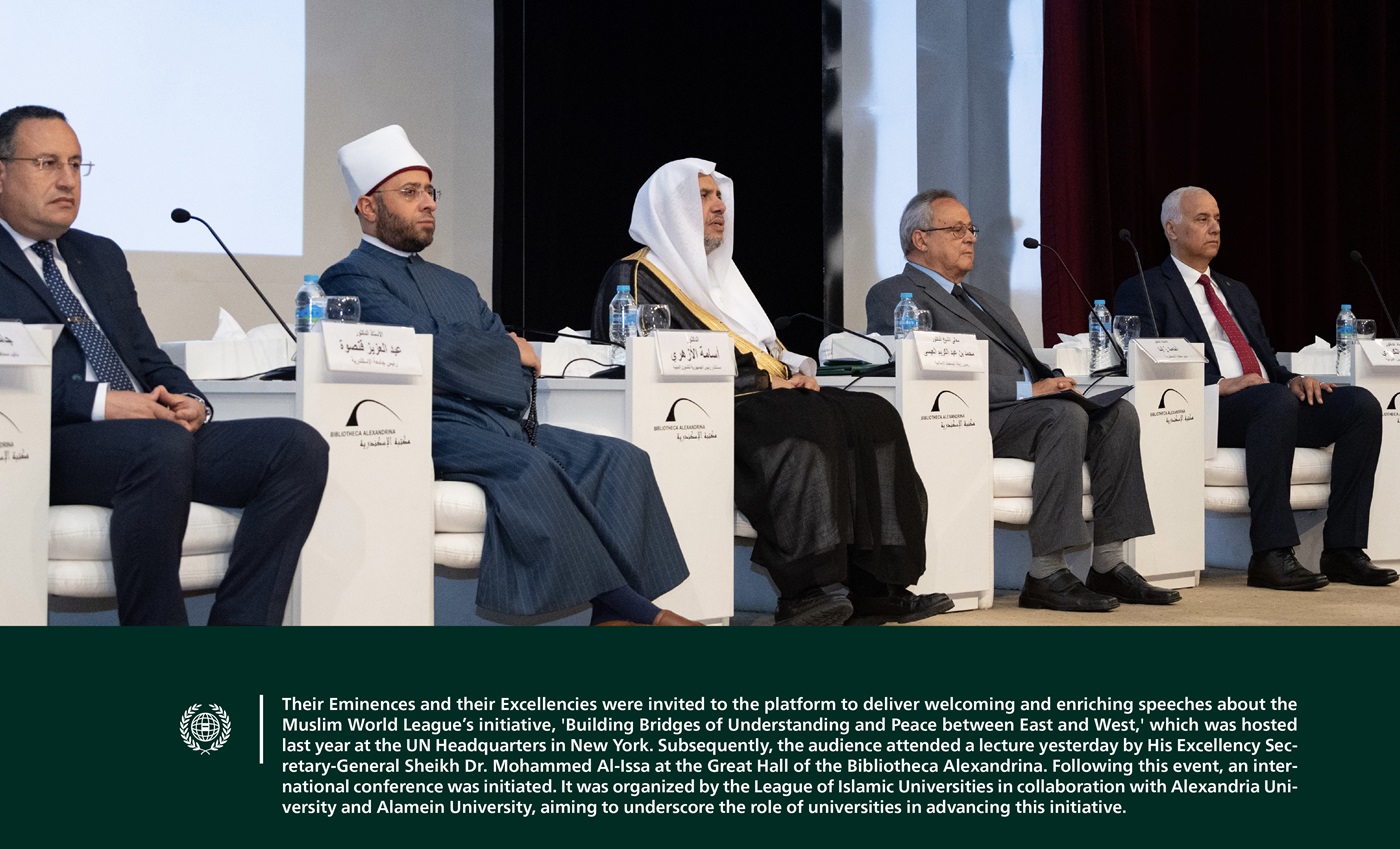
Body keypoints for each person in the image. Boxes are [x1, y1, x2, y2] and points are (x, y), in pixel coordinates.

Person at [319, 126, 695, 626]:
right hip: (426, 427)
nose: (428, 203)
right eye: (410, 192)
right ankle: (642, 615)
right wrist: (491, 354)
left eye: (430, 191)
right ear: (368, 206)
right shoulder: (348, 277)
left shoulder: (457, 283)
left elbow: (508, 362)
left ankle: (612, 618)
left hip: (498, 421)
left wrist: (480, 357)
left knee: (622, 458)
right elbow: (421, 352)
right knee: (529, 467)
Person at [0, 105, 328, 625]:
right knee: (158, 445)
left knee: (296, 446)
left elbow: (147, 357)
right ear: (1, 172)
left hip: (152, 438)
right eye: (47, 163)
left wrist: (190, 401)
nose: (67, 180)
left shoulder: (99, 255)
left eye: (76, 164)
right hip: (45, 442)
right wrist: (106, 403)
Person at [593, 158, 947, 626]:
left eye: (719, 196)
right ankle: (807, 590)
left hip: (763, 395)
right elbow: (656, 358)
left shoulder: (722, 275)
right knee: (806, 420)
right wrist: (763, 382)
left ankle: (877, 585)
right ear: (670, 210)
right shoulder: (636, 275)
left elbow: (762, 346)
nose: (720, 206)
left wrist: (795, 372)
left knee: (874, 413)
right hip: (708, 407)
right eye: (703, 197)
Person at [867, 189, 1176, 612]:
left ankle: (1108, 563)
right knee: (1062, 417)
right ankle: (1046, 573)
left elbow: (1027, 364)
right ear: (920, 239)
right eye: (956, 229)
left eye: (971, 229)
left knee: (1120, 414)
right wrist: (1026, 392)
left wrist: (1055, 380)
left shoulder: (985, 300)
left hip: (1028, 410)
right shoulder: (895, 294)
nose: (970, 237)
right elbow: (924, 371)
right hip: (966, 417)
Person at [1114, 186, 1392, 590]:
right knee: (1272, 402)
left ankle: (1343, 550)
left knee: (1359, 406)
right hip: (1208, 406)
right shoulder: (1145, 288)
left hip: (1268, 401)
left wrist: (1293, 380)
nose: (1215, 228)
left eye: (1217, 219)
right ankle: (1271, 553)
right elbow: (1148, 363)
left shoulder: (1236, 291)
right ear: (1171, 229)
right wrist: (1220, 384)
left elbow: (1267, 364)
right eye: (1202, 219)